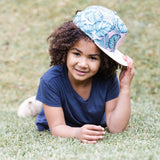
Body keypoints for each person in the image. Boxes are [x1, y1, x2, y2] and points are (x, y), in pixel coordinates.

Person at [34, 6, 134, 144]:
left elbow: (116, 128)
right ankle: (36, 103)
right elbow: (57, 127)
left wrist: (125, 87)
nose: (82, 64)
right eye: (76, 54)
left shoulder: (107, 78)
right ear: (65, 50)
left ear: (104, 60)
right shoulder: (50, 81)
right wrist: (77, 132)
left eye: (93, 58)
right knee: (42, 103)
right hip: (59, 116)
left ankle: (40, 100)